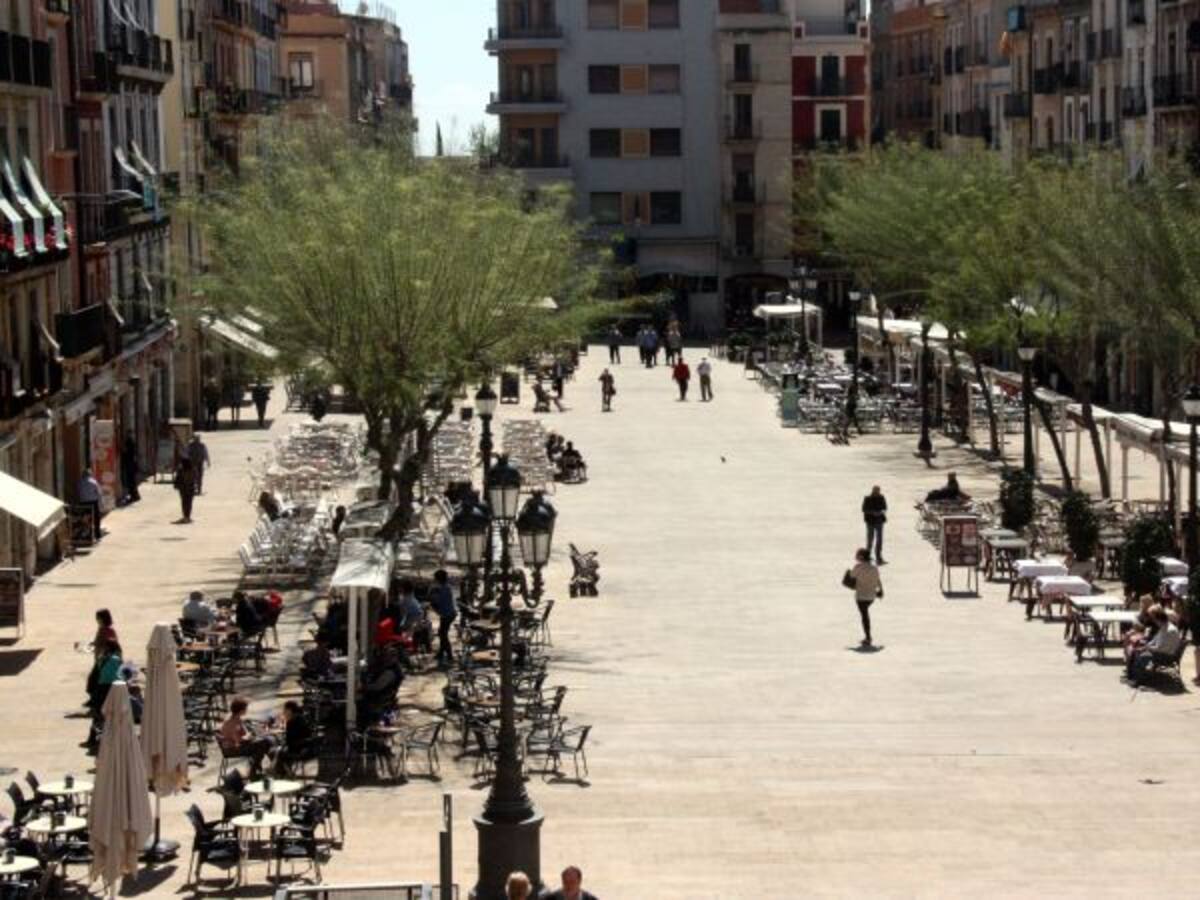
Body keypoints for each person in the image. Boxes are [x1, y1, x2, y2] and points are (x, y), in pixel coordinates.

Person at [1126, 605, 1183, 681]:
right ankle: (1132, 675)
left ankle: (1138, 679)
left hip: (1165, 656)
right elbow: (1155, 640)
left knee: (1140, 655)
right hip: (1161, 652)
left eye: (1155, 619)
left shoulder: (1169, 630)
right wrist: (1146, 646)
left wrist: (1147, 648)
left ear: (1158, 619)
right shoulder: (1164, 627)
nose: (1154, 622)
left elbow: (1159, 648)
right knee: (1136, 651)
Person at [218, 697, 274, 772]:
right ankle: (255, 768)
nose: (246, 710)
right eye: (245, 709)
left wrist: (251, 733)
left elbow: (244, 732)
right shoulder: (232, 723)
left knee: (266, 741)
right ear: (241, 710)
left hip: (238, 745)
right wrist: (248, 736)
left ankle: (262, 766)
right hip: (232, 749)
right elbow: (238, 740)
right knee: (265, 743)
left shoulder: (236, 718)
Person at [845, 548, 883, 647]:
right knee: (865, 614)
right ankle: (868, 637)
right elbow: (878, 579)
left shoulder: (858, 567)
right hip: (872, 596)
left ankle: (868, 637)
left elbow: (852, 577)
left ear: (861, 557)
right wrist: (881, 590)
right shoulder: (874, 567)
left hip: (861, 596)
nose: (855, 556)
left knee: (864, 616)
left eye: (857, 555)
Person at [274, 700, 312, 774]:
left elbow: (289, 741)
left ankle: (284, 774)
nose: (283, 712)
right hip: (306, 747)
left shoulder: (291, 721)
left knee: (274, 752)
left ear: (290, 710)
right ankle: (286, 771)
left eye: (285, 710)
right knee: (278, 751)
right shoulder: (301, 718)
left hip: (298, 749)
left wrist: (281, 743)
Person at [429, 569, 457, 668]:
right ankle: (441, 653)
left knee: (443, 634)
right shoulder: (445, 587)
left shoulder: (443, 589)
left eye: (435, 578)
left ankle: (450, 655)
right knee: (442, 633)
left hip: (447, 615)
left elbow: (436, 601)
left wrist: (432, 594)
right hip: (447, 614)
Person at [861, 486, 888, 564]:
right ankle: (867, 558)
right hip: (870, 522)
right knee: (870, 540)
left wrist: (881, 512)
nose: (877, 492)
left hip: (879, 521)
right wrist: (873, 513)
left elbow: (885, 507)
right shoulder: (867, 498)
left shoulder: (882, 498)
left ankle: (878, 558)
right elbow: (864, 509)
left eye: (878, 491)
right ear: (872, 491)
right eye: (875, 491)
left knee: (879, 540)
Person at [78, 468, 102, 541]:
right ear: (90, 475)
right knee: (96, 518)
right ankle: (97, 534)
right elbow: (99, 493)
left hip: (83, 503)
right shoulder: (94, 482)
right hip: (93, 502)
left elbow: (79, 492)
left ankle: (86, 534)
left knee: (85, 519)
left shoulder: (79, 482)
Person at [173, 456, 197, 523]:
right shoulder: (193, 470)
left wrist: (176, 485)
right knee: (189, 503)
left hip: (183, 489)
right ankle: (188, 517)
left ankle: (185, 517)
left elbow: (177, 479)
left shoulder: (181, 470)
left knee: (184, 503)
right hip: (191, 489)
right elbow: (195, 478)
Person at [120, 433, 140, 505]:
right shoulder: (132, 445)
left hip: (130, 466)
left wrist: (123, 452)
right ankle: (135, 496)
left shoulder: (130, 446)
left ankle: (134, 496)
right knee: (132, 482)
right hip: (131, 466)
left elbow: (126, 454)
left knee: (131, 482)